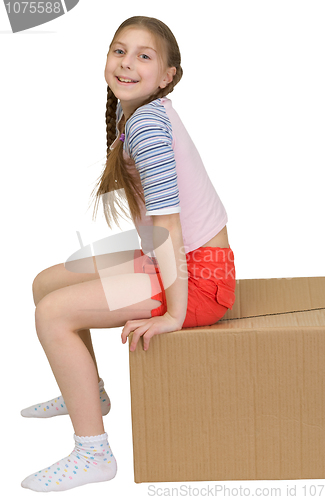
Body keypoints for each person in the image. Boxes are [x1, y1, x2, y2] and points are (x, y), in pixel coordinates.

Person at [21, 16, 236, 492]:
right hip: (171, 263)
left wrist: (175, 315)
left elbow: (167, 226)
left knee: (53, 314)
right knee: (45, 283)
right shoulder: (134, 113)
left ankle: (93, 453)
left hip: (197, 278)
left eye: (144, 55)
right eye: (120, 50)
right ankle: (89, 392)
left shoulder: (148, 126)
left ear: (167, 77)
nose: (127, 62)